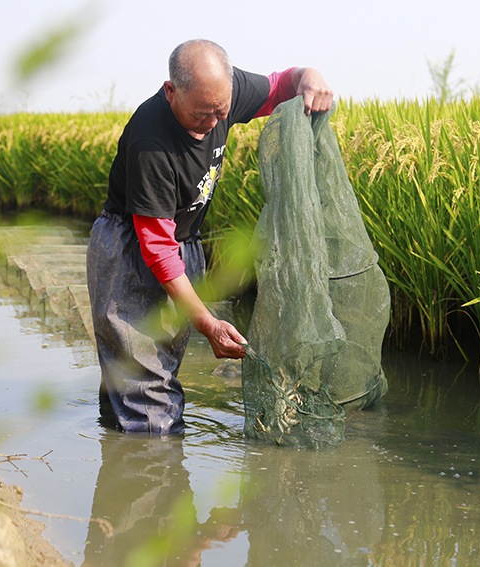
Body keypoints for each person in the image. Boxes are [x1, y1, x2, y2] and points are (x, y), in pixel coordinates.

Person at [86, 39, 333, 434]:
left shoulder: (221, 93)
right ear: (172, 92)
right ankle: (152, 469)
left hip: (183, 243)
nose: (215, 121)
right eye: (203, 114)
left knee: (149, 370)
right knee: (146, 387)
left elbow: (279, 85)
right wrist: (207, 322)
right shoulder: (151, 142)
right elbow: (157, 248)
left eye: (222, 112)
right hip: (131, 250)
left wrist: (309, 77)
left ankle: (120, 457)